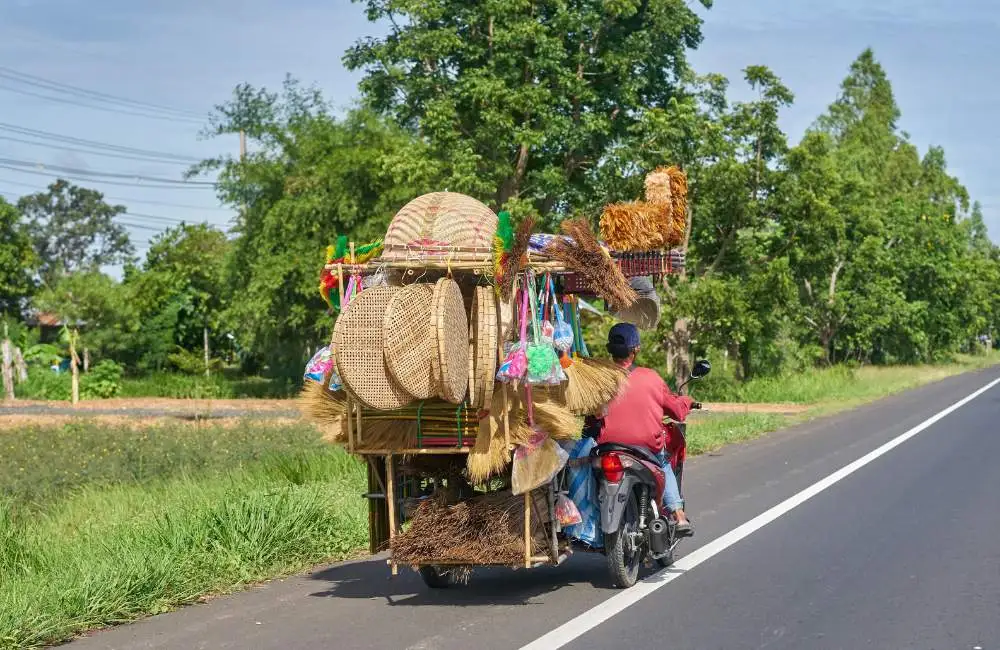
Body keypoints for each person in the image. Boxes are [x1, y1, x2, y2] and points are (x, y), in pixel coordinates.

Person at [596, 322, 694, 534]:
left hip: (606, 448)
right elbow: (676, 411)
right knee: (664, 461)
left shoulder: (598, 379)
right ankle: (679, 516)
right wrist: (687, 402)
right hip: (646, 449)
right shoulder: (651, 378)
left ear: (610, 348)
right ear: (636, 349)